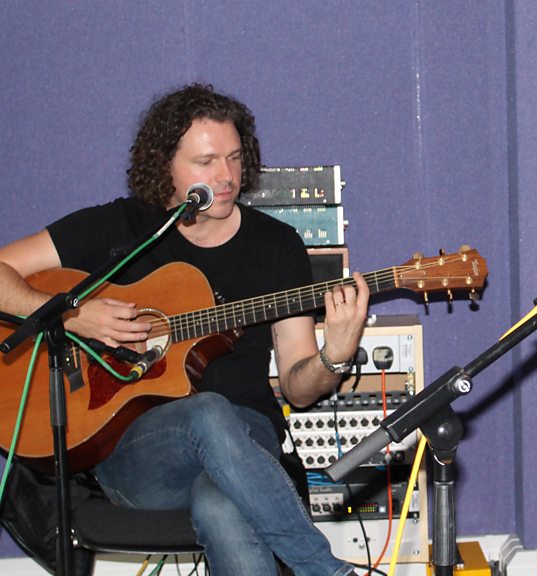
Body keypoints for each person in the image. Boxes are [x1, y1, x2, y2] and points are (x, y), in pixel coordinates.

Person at [0, 84, 368, 576]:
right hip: (135, 455)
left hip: (249, 439)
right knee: (208, 410)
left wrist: (333, 357)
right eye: (206, 162)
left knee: (223, 503)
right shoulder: (119, 227)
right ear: (165, 166)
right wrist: (71, 314)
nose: (226, 176)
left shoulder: (275, 245)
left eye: (234, 158)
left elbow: (299, 390)